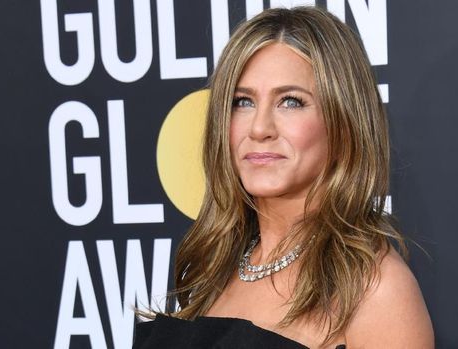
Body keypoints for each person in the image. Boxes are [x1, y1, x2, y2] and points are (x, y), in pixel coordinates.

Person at [134, 6, 433, 349]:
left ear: (343, 123)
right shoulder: (212, 268)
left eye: (290, 102)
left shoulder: (374, 289)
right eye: (242, 102)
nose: (260, 128)